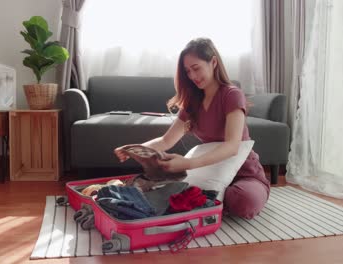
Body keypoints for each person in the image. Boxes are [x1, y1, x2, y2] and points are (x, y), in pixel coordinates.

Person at [114, 38, 270, 219]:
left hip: (244, 173)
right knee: (173, 196)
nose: (192, 76)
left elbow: (232, 146)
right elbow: (166, 140)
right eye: (188, 71)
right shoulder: (192, 101)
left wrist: (188, 164)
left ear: (213, 62)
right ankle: (215, 198)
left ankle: (237, 194)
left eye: (196, 68)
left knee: (243, 201)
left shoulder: (231, 95)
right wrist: (134, 149)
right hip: (210, 172)